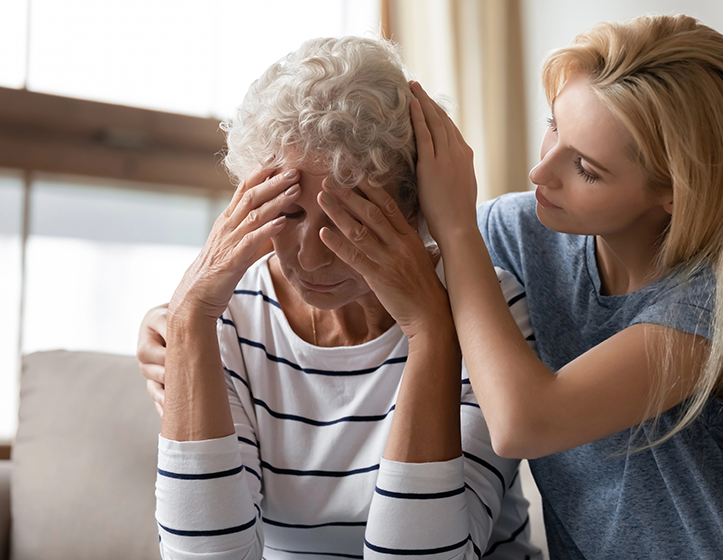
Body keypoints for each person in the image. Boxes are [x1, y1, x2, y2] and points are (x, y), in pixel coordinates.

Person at [315, 14, 723, 559]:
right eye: (553, 127)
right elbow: (383, 268)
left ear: (676, 192)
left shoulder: (721, 301)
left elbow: (525, 423)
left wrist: (455, 229)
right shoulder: (518, 235)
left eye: (585, 167)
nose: (541, 171)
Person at [139, 36, 541, 559]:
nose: (309, 257)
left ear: (414, 208)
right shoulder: (226, 316)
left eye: (347, 219)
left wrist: (432, 331)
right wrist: (192, 315)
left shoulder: (489, 312)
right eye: (289, 212)